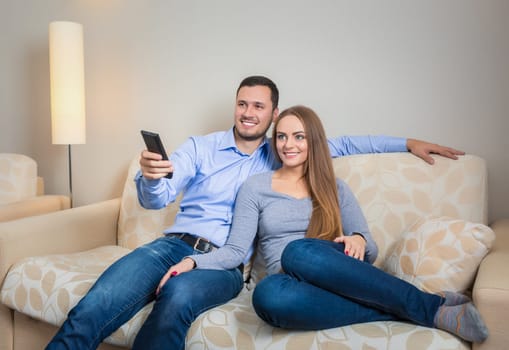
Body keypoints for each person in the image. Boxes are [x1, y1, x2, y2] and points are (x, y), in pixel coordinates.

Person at [46, 76, 465, 350]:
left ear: (273, 114)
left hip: (225, 264)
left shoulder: (284, 153)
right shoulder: (201, 148)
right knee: (97, 303)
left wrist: (408, 141)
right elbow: (159, 197)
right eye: (242, 104)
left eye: (258, 107)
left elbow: (346, 144)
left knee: (178, 297)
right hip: (170, 247)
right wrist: (152, 177)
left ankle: (418, 305)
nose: (248, 113)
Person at [168, 105, 488, 343]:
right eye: (281, 136)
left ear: (313, 142)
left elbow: (370, 251)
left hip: (332, 272)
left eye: (298, 137)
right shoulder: (256, 186)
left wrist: (359, 239)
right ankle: (423, 310)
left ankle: (429, 307)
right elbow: (236, 250)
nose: (288, 145)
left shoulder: (334, 187)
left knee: (298, 251)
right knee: (267, 296)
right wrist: (193, 260)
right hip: (289, 287)